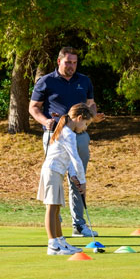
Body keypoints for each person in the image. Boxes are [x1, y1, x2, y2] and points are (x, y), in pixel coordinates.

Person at [29, 47, 105, 237]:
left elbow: (90, 103)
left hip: (79, 134)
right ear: (59, 61)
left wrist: (93, 115)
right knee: (57, 176)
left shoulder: (84, 80)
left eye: (74, 62)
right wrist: (45, 121)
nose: (71, 66)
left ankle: (78, 225)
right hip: (54, 134)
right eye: (68, 62)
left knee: (76, 179)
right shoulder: (46, 81)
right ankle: (56, 224)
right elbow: (33, 107)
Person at [38, 104, 94, 255]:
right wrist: (83, 182)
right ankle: (53, 245)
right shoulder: (68, 133)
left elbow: (69, 160)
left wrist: (74, 176)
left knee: (56, 209)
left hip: (56, 172)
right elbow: (76, 158)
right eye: (86, 123)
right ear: (79, 118)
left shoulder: (67, 131)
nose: (85, 127)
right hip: (51, 171)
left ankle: (60, 241)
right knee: (52, 208)